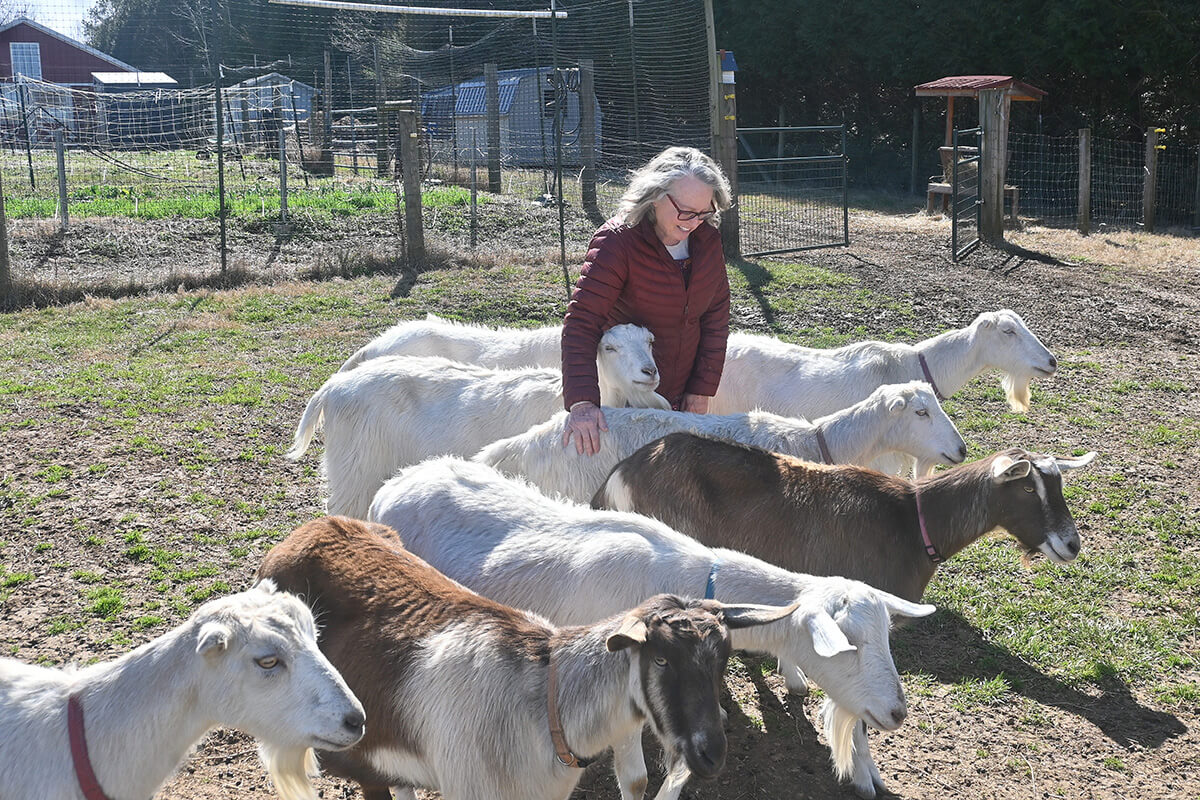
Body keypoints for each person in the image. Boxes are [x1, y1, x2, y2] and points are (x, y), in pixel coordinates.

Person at [561, 146, 733, 455]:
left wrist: (700, 389)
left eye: (704, 212)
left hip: (682, 399)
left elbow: (715, 317)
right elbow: (582, 322)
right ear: (654, 195)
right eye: (685, 211)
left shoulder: (708, 241)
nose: (693, 222)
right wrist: (583, 402)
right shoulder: (617, 242)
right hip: (630, 403)